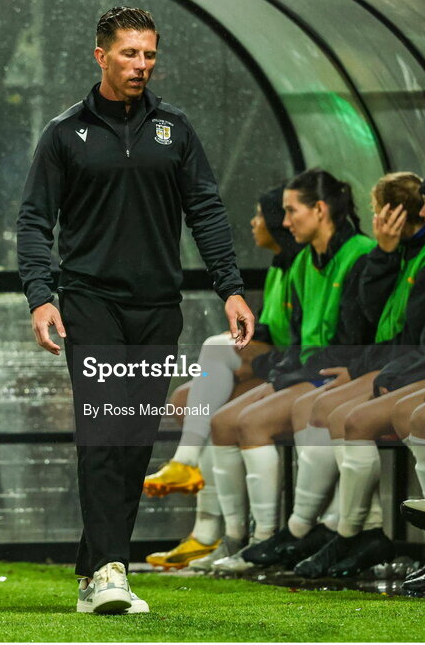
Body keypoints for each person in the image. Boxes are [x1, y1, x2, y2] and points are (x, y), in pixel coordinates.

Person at [16, 6, 253, 615]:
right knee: (103, 433)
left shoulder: (175, 129)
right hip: (91, 303)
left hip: (157, 310)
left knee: (133, 441)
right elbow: (36, 220)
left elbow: (205, 209)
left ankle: (95, 563)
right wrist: (41, 297)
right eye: (129, 54)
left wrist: (230, 287)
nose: (141, 65)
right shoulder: (65, 134)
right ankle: (109, 572)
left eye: (149, 54)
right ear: (101, 56)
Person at [243, 171, 425, 575]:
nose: (284, 222)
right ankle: (337, 531)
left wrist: (362, 368)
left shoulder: (424, 253)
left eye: (290, 211)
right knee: (281, 412)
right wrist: (386, 255)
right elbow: (367, 316)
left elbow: (382, 329)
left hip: (405, 366)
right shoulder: (391, 254)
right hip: (382, 363)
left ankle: (332, 531)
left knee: (325, 412)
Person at [204, 169, 374, 574]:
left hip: (337, 373)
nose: (284, 222)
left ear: (320, 209)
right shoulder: (303, 263)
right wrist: (284, 370)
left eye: (291, 210)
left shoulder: (361, 253)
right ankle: (238, 538)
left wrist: (286, 371)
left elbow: (356, 336)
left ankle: (280, 535)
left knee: (253, 424)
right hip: (309, 371)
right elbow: (296, 337)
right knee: (224, 422)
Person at [144, 185, 301, 570]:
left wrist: (259, 362)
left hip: (292, 370)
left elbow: (297, 336)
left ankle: (233, 532)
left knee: (216, 349)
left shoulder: (303, 263)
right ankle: (209, 533)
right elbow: (272, 329)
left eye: (261, 215)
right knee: (185, 399)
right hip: (276, 364)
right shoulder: (283, 264)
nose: (254, 223)